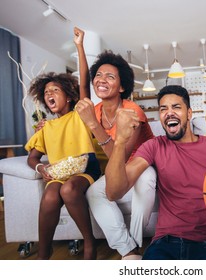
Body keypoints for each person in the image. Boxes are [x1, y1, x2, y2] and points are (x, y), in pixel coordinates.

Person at [104, 85, 206, 260]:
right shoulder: (154, 146)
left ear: (189, 114)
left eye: (176, 107)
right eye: (163, 109)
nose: (169, 113)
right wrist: (120, 141)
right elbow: (113, 192)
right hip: (165, 243)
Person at [73, 32, 156, 260]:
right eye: (98, 75)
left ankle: (137, 243)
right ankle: (127, 249)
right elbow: (82, 85)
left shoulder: (132, 112)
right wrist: (79, 47)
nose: (102, 79)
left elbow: (120, 156)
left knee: (146, 178)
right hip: (118, 168)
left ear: (121, 87)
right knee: (93, 193)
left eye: (110, 76)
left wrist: (93, 125)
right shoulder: (96, 110)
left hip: (143, 163)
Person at [24, 27, 101, 260]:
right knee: (50, 196)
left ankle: (89, 242)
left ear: (68, 95)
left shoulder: (80, 112)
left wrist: (79, 46)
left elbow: (85, 81)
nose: (50, 94)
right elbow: (32, 158)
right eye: (47, 92)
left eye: (55, 90)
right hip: (59, 172)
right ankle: (44, 253)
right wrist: (42, 168)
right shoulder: (46, 127)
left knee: (69, 190)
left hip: (86, 168)